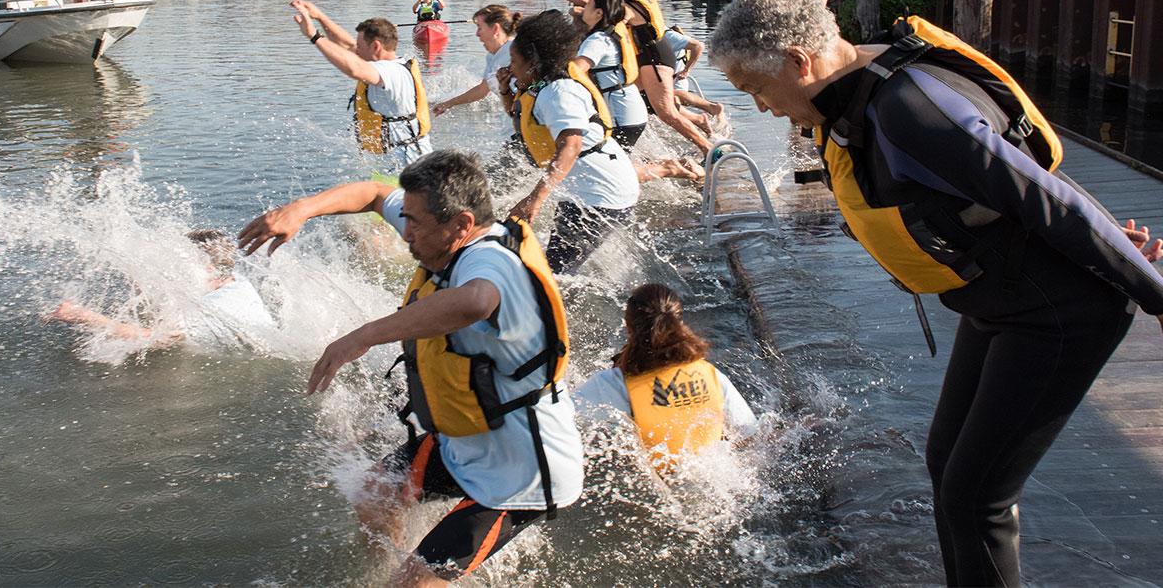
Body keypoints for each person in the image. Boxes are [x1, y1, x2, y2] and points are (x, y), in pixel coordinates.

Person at [707, 0, 1163, 587]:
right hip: (1000, 300)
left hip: (1060, 314)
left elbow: (1040, 194)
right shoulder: (855, 100)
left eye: (757, 90)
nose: (762, 106)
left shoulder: (911, 109)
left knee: (976, 496)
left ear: (799, 61)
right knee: (948, 466)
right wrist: (1110, 236)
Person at [236, 150, 582, 586]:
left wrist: (360, 337)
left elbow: (475, 301)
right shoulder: (443, 230)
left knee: (413, 584)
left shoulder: (492, 261)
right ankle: (398, 566)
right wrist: (300, 209)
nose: (406, 231)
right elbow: (374, 194)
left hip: (521, 467)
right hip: (466, 439)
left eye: (414, 222)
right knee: (375, 496)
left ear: (461, 224)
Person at [502, 10, 640, 274]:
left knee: (554, 275)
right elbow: (525, 124)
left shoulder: (558, 91)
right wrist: (503, 90)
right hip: (590, 187)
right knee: (553, 266)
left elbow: (572, 144)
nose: (511, 67)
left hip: (601, 192)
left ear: (532, 61)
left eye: (514, 60)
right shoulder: (544, 85)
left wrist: (536, 198)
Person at [542, 0, 714, 157]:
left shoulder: (628, 8)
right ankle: (690, 124)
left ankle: (708, 149)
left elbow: (601, 12)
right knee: (640, 99)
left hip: (654, 58)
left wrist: (573, 9)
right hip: (657, 51)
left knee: (666, 112)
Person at [574, 283, 758, 466]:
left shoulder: (611, 383)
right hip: (718, 479)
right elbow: (748, 435)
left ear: (627, 327)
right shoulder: (711, 374)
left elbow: (560, 419)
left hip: (654, 483)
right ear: (680, 323)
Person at [45, 229, 272, 346]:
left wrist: (82, 316)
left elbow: (157, 339)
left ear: (209, 268)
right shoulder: (235, 279)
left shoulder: (210, 309)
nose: (178, 266)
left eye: (184, 261)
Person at [291, 0, 432, 170]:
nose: (355, 50)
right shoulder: (388, 66)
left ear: (376, 46)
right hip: (393, 162)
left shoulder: (391, 72)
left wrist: (314, 36)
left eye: (360, 46)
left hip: (410, 165)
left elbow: (354, 69)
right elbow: (346, 45)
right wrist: (320, 17)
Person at [572, 0, 648, 149]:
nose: (583, 8)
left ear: (599, 13)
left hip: (620, 114)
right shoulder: (613, 31)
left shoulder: (598, 40)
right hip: (631, 109)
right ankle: (675, 167)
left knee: (606, 165)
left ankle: (675, 168)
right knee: (616, 164)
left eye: (587, 6)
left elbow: (575, 72)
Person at [431, 4, 521, 118]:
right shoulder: (492, 57)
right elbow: (481, 90)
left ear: (495, 29)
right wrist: (448, 104)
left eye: (479, 27)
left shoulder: (516, 50)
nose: (477, 34)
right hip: (513, 122)